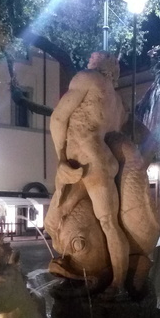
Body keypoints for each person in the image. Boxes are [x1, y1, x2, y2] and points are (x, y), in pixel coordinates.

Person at [48, 51, 130, 293]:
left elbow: (58, 118)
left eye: (93, 60)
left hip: (80, 161)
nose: (89, 63)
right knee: (109, 225)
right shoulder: (118, 103)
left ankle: (76, 264)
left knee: (53, 221)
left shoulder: (87, 78)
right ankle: (118, 284)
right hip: (103, 163)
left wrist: (61, 159)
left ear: (103, 66)